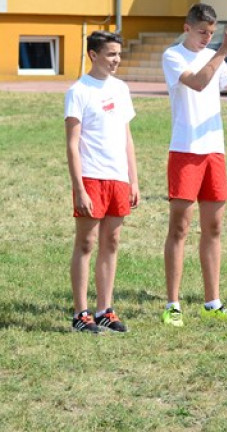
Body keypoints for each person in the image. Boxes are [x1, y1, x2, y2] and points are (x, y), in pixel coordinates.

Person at [161, 3, 227, 327]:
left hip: (214, 151)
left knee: (213, 228)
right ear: (187, 28)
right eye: (202, 33)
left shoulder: (217, 57)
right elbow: (198, 82)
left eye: (211, 34)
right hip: (185, 150)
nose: (206, 38)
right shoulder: (173, 56)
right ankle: (173, 303)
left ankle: (212, 301)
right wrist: (223, 50)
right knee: (180, 228)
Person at [65, 30, 139, 333]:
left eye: (118, 54)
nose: (116, 60)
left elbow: (127, 137)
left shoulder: (121, 89)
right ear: (93, 55)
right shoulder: (78, 90)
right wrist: (79, 187)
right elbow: (72, 143)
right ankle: (80, 314)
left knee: (112, 242)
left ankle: (104, 310)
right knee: (86, 243)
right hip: (92, 177)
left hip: (117, 177)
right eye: (110, 54)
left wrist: (133, 180)